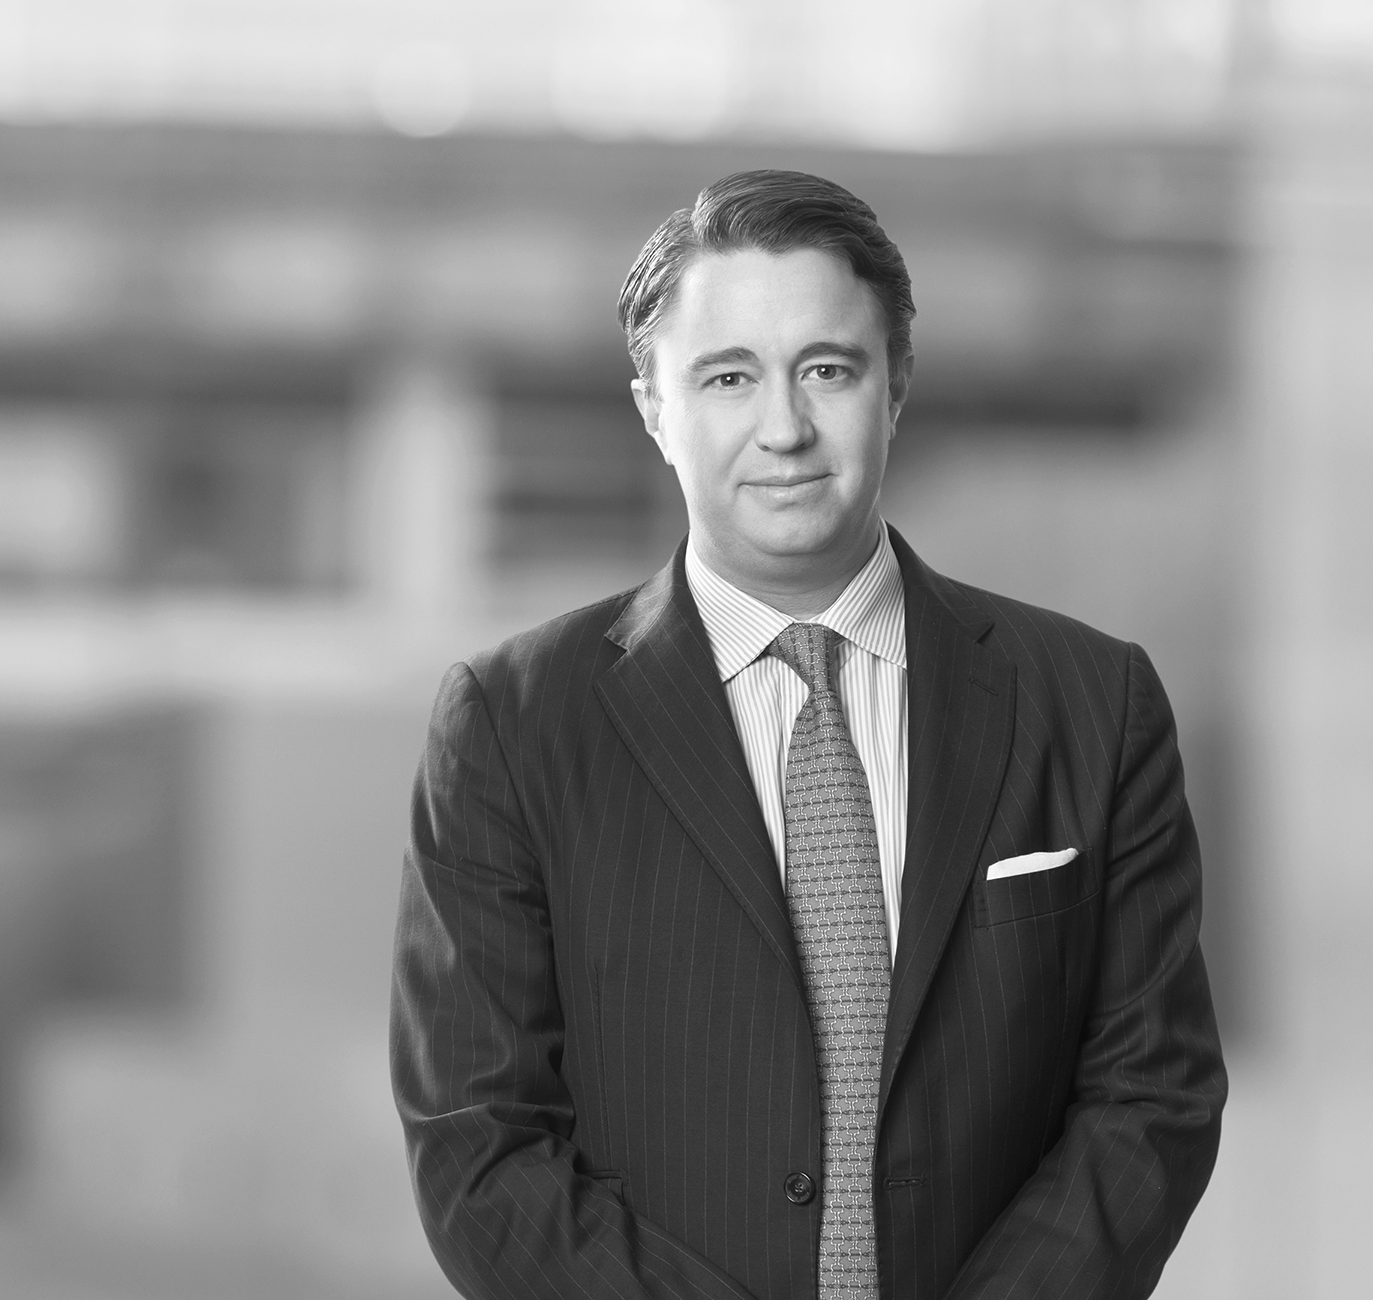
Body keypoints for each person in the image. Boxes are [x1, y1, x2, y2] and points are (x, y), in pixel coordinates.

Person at [390, 169, 1225, 1300]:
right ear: (653, 407)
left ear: (895, 386)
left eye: (826, 370)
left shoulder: (1090, 701)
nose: (782, 428)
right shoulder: (510, 726)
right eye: (727, 377)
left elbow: (1150, 1095)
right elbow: (478, 1145)